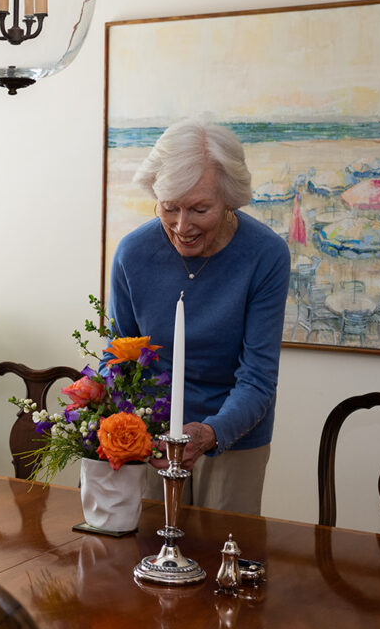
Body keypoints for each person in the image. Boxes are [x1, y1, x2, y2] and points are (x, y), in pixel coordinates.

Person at [108, 117, 290, 515]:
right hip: (151, 434)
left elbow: (258, 376)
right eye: (169, 208)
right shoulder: (133, 254)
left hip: (234, 435)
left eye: (199, 209)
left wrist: (210, 432)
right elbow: (118, 358)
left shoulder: (266, 255)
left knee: (223, 556)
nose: (182, 226)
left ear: (230, 200)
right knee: (144, 554)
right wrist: (134, 428)